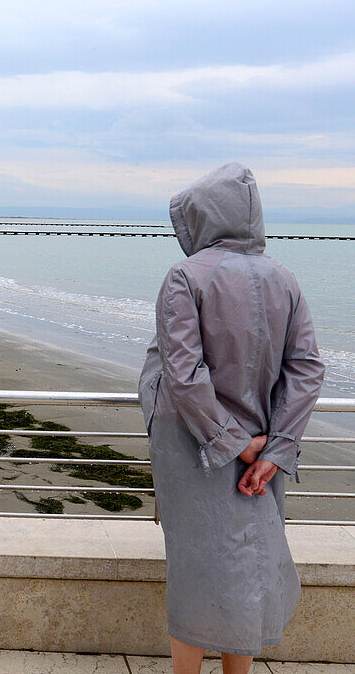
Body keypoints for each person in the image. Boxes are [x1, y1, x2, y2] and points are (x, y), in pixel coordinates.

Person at [138, 163, 324, 674]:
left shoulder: (185, 276)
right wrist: (275, 449)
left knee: (197, 564)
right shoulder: (284, 279)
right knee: (246, 561)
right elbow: (305, 369)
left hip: (193, 441)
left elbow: (182, 371)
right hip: (261, 444)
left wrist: (235, 443)